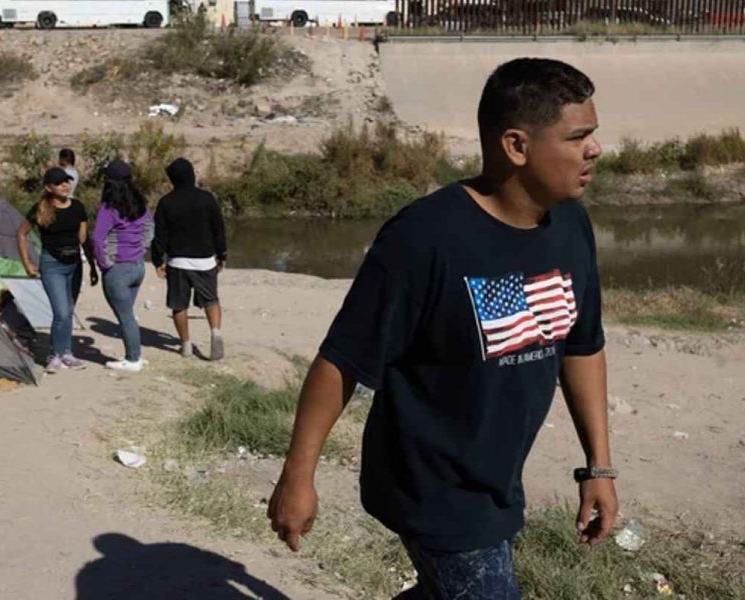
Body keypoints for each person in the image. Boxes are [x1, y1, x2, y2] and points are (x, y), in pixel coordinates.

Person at [267, 58, 618, 599]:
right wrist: (298, 476)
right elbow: (342, 360)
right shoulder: (425, 238)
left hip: (498, 478)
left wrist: (599, 467)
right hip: (431, 484)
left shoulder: (570, 224)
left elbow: (582, 344)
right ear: (517, 146)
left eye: (592, 135)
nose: (594, 149)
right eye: (578, 137)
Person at [17, 167, 93, 373]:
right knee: (60, 311)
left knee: (68, 311)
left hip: (74, 265)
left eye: (67, 182)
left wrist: (93, 265)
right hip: (52, 265)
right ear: (49, 187)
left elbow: (83, 239)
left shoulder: (78, 207)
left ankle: (66, 352)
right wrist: (27, 263)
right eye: (60, 183)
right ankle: (54, 355)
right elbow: (21, 234)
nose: (65, 186)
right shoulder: (40, 209)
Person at [151, 158, 227, 361]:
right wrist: (222, 254)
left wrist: (157, 260)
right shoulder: (207, 199)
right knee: (211, 300)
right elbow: (218, 229)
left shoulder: (166, 202)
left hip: (178, 262)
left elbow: (160, 236)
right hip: (205, 260)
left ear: (172, 179)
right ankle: (215, 332)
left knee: (179, 305)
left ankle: (185, 344)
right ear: (192, 175)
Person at [91, 160, 154, 372]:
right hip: (137, 266)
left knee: (125, 316)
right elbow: (150, 228)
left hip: (118, 269)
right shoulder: (140, 203)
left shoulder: (108, 208)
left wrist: (104, 264)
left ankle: (133, 358)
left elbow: (98, 239)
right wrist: (140, 250)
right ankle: (135, 353)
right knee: (128, 314)